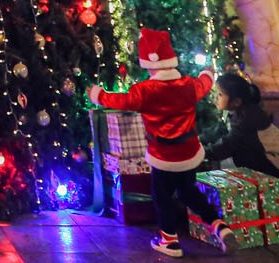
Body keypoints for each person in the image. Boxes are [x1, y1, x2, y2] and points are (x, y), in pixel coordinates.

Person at [89, 27, 221, 259]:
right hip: (189, 152)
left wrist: (98, 95)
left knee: (162, 196)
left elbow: (122, 101)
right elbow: (204, 84)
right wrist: (208, 73)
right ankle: (219, 224)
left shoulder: (145, 91)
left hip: (163, 155)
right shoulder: (189, 85)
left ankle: (169, 241)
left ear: (149, 64)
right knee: (189, 191)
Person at [205, 72, 279, 182]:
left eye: (220, 94)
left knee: (239, 153)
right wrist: (197, 140)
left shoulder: (248, 118)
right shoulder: (235, 111)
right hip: (269, 159)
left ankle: (252, 187)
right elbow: (218, 130)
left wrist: (203, 153)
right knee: (235, 151)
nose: (215, 97)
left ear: (236, 101)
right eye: (215, 92)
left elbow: (228, 145)